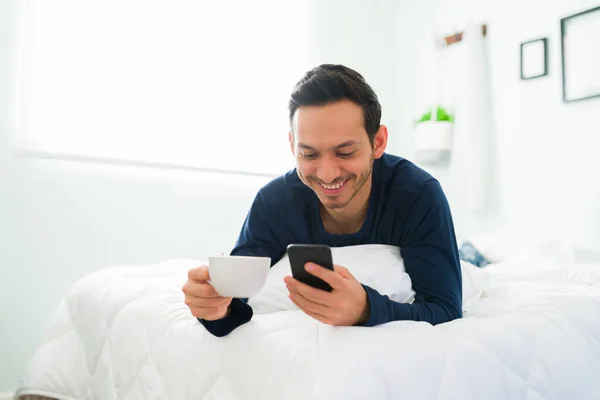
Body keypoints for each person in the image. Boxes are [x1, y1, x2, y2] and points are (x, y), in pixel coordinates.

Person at [182, 64, 463, 337]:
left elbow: (445, 309)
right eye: (309, 154)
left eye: (345, 153)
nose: (327, 174)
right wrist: (213, 307)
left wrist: (367, 309)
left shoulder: (417, 195)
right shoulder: (275, 203)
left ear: (378, 142)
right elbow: (235, 305)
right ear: (293, 145)